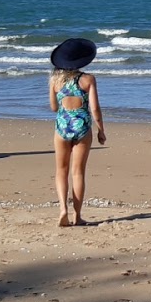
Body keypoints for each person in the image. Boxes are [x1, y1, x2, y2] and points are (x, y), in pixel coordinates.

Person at [49, 38, 106, 227]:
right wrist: (101, 130)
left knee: (61, 171)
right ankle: (77, 215)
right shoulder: (88, 79)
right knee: (78, 172)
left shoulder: (55, 81)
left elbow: (53, 107)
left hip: (62, 128)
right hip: (82, 128)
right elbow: (95, 109)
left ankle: (63, 209)